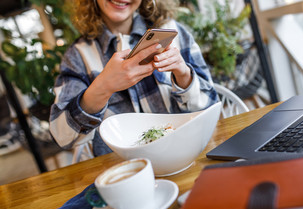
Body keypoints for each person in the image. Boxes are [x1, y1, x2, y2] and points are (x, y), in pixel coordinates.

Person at [49, 0, 218, 158]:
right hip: (122, 170)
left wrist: (183, 75)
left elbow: (212, 107)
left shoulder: (172, 31)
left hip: (183, 154)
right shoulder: (78, 56)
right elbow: (63, 136)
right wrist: (102, 87)